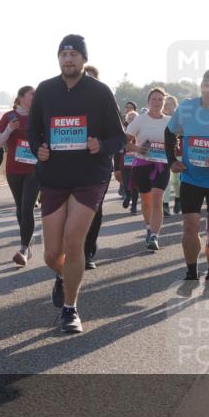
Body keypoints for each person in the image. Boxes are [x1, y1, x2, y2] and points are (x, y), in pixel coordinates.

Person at [28, 35, 126, 333]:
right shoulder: (45, 90)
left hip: (89, 177)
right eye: (63, 54)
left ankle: (70, 309)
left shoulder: (99, 91)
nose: (68, 59)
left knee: (74, 241)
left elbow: (119, 137)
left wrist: (101, 144)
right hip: (54, 177)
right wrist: (39, 149)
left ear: (84, 59)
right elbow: (33, 132)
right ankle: (64, 276)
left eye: (73, 54)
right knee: (50, 254)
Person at [165, 68, 209, 298]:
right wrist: (171, 161)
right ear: (201, 86)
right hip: (191, 178)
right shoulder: (187, 107)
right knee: (189, 228)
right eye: (207, 84)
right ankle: (191, 275)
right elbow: (169, 132)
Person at [0, 87, 38, 266]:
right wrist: (9, 131)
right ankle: (27, 242)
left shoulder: (39, 115)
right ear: (20, 98)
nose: (35, 97)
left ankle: (24, 248)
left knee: (27, 208)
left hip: (34, 169)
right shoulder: (8, 117)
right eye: (31, 95)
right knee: (20, 209)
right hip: (14, 168)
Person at [125, 88, 171, 250]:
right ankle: (148, 226)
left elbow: (175, 143)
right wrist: (138, 149)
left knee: (157, 199)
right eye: (154, 99)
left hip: (162, 165)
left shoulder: (169, 121)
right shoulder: (139, 120)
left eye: (160, 99)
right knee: (146, 201)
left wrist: (172, 148)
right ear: (148, 101)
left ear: (164, 102)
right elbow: (125, 142)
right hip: (142, 165)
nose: (157, 102)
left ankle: (154, 236)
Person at [80, 65, 110, 270]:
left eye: (90, 79)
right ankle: (74, 251)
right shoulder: (65, 102)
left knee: (94, 211)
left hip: (98, 168)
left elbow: (118, 136)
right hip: (68, 167)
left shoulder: (105, 103)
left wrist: (101, 144)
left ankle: (88, 252)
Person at [163, 94, 179, 218]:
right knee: (166, 180)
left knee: (176, 181)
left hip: (179, 153)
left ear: (175, 105)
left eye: (170, 104)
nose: (168, 106)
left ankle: (178, 199)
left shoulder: (180, 118)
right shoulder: (162, 118)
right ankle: (165, 204)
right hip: (164, 153)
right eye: (166, 104)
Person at [121, 110, 139, 215]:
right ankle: (128, 196)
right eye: (130, 118)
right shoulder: (123, 131)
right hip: (125, 161)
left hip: (137, 160)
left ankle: (134, 206)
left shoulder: (140, 130)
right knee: (126, 181)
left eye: (134, 118)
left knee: (135, 184)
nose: (132, 120)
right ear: (127, 119)